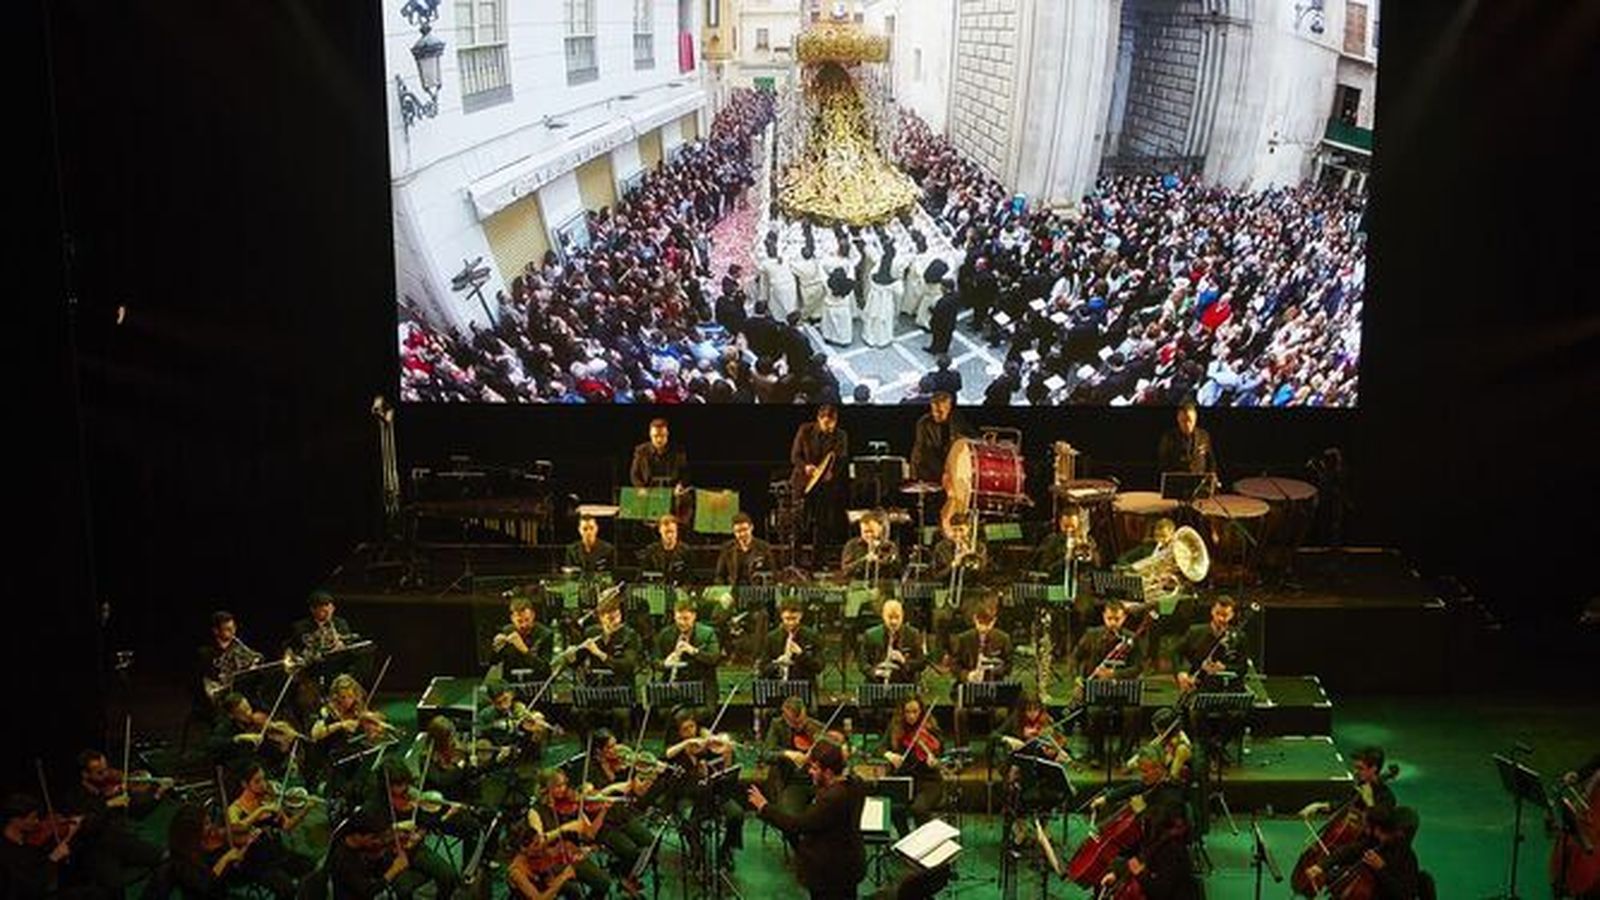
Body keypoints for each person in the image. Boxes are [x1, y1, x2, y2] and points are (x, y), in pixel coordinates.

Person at [747, 739, 866, 900]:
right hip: (849, 866)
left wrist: (764, 807)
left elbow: (797, 826)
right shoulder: (855, 785)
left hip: (829, 874)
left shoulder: (832, 799)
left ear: (829, 772)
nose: (810, 771)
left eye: (815, 768)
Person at [663, 709, 745, 871]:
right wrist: (687, 745)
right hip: (687, 796)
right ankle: (696, 851)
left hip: (712, 793)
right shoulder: (677, 751)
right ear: (678, 732)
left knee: (736, 814)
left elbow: (725, 771)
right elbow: (667, 757)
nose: (690, 732)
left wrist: (727, 753)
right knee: (688, 817)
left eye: (692, 727)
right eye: (685, 729)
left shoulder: (706, 746)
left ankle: (726, 849)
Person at [225, 760, 315, 899]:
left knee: (311, 867)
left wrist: (306, 810)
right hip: (257, 863)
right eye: (257, 781)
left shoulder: (267, 799)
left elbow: (287, 826)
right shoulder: (235, 808)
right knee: (287, 889)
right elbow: (237, 827)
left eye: (264, 779)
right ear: (245, 784)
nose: (264, 784)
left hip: (277, 853)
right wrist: (261, 810)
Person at [1072, 600, 1145, 766]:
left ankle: (1123, 754)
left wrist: (1114, 675)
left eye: (1117, 619)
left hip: (1123, 689)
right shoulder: (1092, 635)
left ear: (1124, 618)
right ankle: (1097, 754)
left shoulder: (1131, 638)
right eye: (1109, 618)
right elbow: (1076, 657)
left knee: (1133, 712)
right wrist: (1078, 678)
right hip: (1096, 688)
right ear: (1103, 617)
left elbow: (1138, 667)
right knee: (1094, 712)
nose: (1113, 623)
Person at [1304, 805, 1421, 900]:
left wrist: (1381, 869)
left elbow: (1405, 896)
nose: (1378, 834)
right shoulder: (1378, 843)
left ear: (1400, 835)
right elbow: (1350, 851)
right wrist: (1321, 866)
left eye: (1385, 832)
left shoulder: (1408, 859)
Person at [880, 695, 944, 838]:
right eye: (908, 712)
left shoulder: (930, 727)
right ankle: (906, 839)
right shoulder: (895, 727)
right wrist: (889, 755)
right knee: (894, 807)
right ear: (902, 712)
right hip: (904, 779)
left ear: (921, 710)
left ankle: (923, 842)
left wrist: (934, 760)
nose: (912, 716)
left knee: (919, 809)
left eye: (915, 711)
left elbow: (941, 752)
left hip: (929, 780)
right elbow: (880, 748)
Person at [790, 404, 850, 553]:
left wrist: (832, 473)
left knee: (822, 522)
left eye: (832, 423)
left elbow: (841, 460)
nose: (829, 427)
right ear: (819, 419)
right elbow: (795, 456)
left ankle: (818, 560)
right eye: (826, 424)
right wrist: (806, 467)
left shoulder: (841, 435)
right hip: (803, 482)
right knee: (799, 521)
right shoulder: (805, 430)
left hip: (825, 484)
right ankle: (796, 558)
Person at [655, 597, 723, 700]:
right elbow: (654, 661)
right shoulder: (665, 634)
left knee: (686, 713)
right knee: (663, 711)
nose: (682, 622)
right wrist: (665, 663)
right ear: (674, 616)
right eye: (679, 618)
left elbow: (714, 659)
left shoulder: (707, 633)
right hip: (673, 688)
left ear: (694, 616)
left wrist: (694, 651)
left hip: (701, 688)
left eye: (686, 618)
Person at [490, 595, 557, 686]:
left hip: (537, 682)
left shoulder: (545, 634)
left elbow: (545, 669)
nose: (524, 625)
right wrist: (496, 649)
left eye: (527, 620)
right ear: (512, 618)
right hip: (511, 683)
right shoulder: (506, 631)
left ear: (533, 615)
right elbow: (493, 662)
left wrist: (524, 649)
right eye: (519, 621)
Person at [858, 599, 927, 685]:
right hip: (877, 684)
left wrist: (904, 660)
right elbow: (862, 663)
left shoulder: (912, 634)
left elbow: (922, 662)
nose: (894, 622)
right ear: (883, 616)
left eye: (897, 617)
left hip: (905, 683)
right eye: (890, 617)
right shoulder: (871, 635)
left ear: (902, 616)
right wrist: (875, 672)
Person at [909, 392, 968, 486]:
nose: (936, 414)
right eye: (934, 411)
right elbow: (923, 450)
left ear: (948, 408)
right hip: (929, 470)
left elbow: (967, 441)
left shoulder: (957, 421)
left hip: (953, 471)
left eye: (940, 412)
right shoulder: (924, 423)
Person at [762, 598, 823, 687]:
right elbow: (762, 668)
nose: (791, 623)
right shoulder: (772, 637)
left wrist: (802, 654)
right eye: (787, 619)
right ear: (781, 616)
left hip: (804, 686)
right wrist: (776, 664)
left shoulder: (811, 636)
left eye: (794, 619)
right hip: (777, 686)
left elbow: (819, 667)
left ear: (800, 616)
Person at [1030, 505, 1101, 577]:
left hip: (1083, 584)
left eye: (1073, 526)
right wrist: (1068, 556)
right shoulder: (1051, 540)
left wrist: (1091, 554)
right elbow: (1045, 569)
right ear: (1060, 523)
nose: (1069, 530)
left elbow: (1098, 566)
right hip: (1058, 583)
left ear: (1078, 524)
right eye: (1066, 526)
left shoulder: (1088, 540)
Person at [1156, 398, 1217, 477]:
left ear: (1195, 419)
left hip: (1199, 480)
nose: (1187, 424)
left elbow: (1211, 460)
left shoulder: (1203, 435)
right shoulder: (1169, 437)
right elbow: (1162, 462)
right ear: (1178, 420)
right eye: (1183, 420)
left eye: (1189, 420)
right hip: (1177, 480)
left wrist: (1211, 476)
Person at [713, 513, 771, 586]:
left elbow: (771, 573)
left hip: (756, 591)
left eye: (745, 529)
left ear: (751, 527)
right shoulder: (727, 548)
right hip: (733, 590)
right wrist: (724, 592)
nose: (742, 534)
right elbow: (719, 576)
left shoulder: (763, 547)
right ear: (733, 532)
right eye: (738, 531)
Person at [839, 511, 899, 581]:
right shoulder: (852, 545)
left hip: (882, 587)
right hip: (858, 587)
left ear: (881, 529)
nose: (869, 535)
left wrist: (878, 560)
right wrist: (865, 560)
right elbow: (846, 570)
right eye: (865, 532)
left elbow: (895, 571)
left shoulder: (889, 547)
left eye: (872, 531)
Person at [629, 418, 688, 489]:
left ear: (667, 434)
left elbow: (685, 473)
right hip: (647, 492)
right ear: (650, 435)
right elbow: (634, 474)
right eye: (655, 436)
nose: (659, 439)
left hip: (672, 491)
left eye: (662, 435)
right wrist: (640, 488)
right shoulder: (641, 451)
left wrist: (680, 485)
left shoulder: (678, 451)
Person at [637, 514, 692, 584]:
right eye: (666, 532)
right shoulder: (651, 551)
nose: (670, 536)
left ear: (677, 531)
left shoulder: (685, 551)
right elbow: (641, 576)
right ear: (660, 531)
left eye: (672, 532)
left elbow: (690, 577)